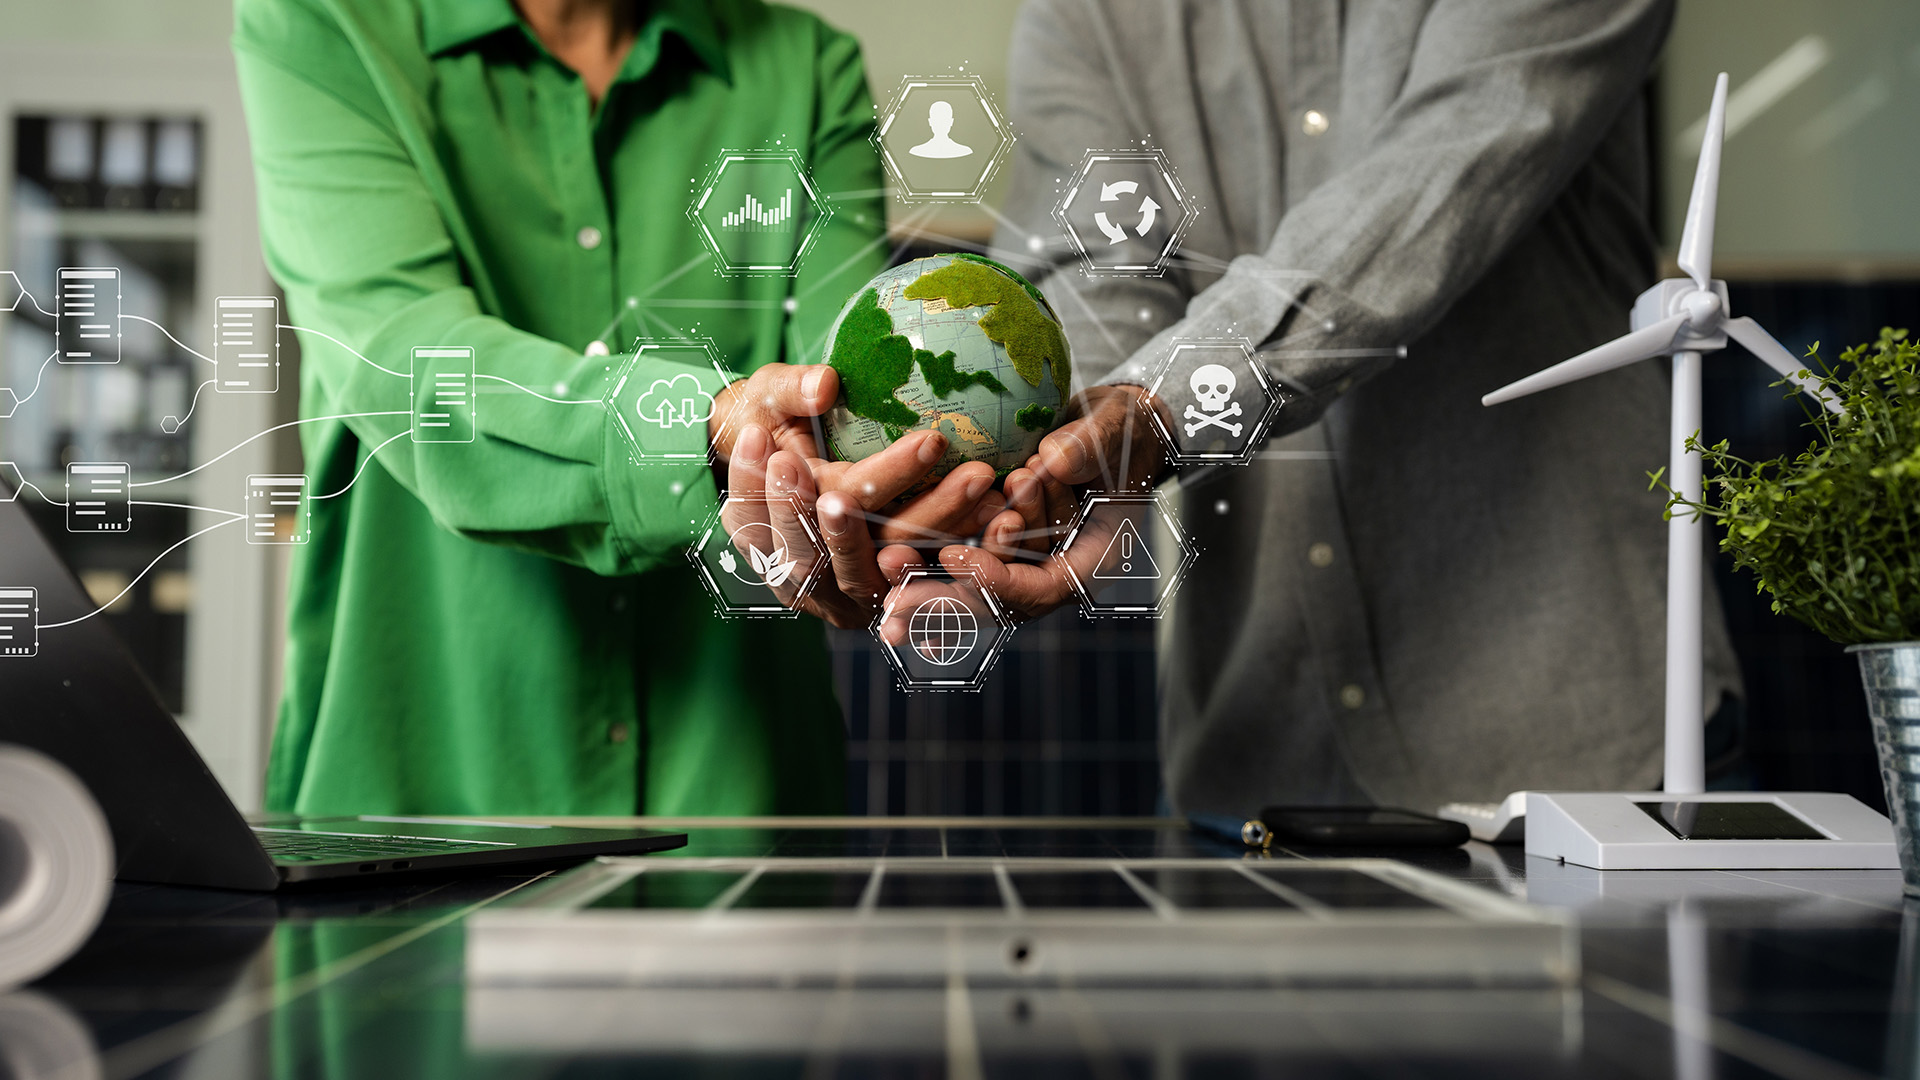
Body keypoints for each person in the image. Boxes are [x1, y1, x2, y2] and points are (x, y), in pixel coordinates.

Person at [934, 0, 1745, 814]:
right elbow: (1100, 275)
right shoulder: (1086, 14)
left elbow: (1442, 175)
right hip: (1263, 758)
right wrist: (1037, 470)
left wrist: (1155, 412)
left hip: (1582, 731)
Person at [234, 0, 987, 816]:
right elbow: (408, 359)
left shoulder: (808, 70)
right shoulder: (321, 24)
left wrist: (871, 493)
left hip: (737, 806)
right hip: (422, 800)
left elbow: (848, 398)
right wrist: (709, 426)